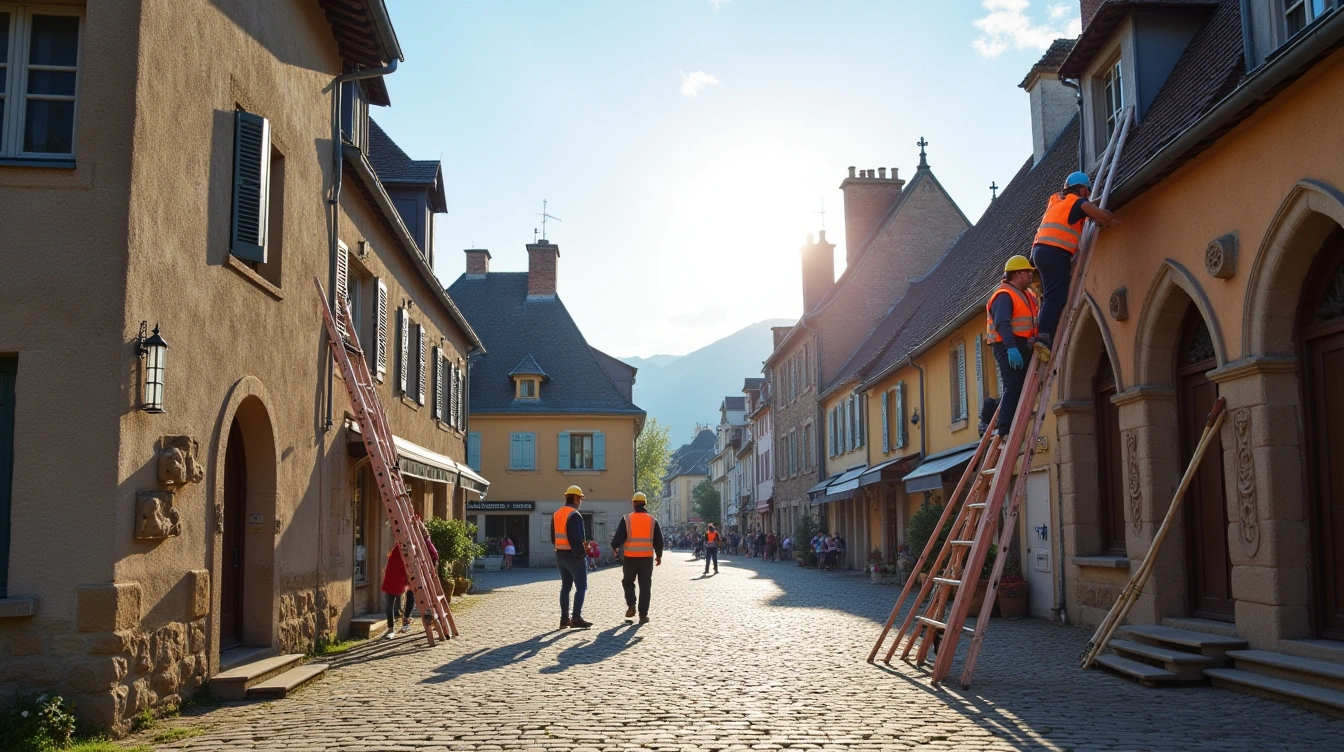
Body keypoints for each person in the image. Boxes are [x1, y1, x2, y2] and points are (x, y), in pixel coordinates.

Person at [1030, 171, 1120, 361]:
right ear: (1080, 189)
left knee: (1049, 296)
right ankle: (1044, 337)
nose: (1088, 194)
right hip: (1055, 254)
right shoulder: (1078, 202)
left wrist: (1093, 204)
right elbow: (1099, 215)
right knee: (1057, 297)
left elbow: (1084, 208)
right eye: (1087, 190)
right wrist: (1109, 217)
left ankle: (1042, 333)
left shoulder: (1057, 201)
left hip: (1040, 252)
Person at [987, 255, 1041, 437]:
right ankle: (1005, 429)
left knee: (1023, 385)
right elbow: (1002, 323)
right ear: (1017, 274)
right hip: (1007, 344)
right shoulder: (1004, 295)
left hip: (1022, 344)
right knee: (1013, 385)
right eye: (1027, 272)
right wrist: (1011, 348)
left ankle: (1015, 423)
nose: (1031, 275)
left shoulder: (1027, 295)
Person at [610, 492, 664, 624]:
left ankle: (631, 605)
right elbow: (659, 540)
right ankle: (643, 615)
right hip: (646, 558)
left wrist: (614, 547)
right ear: (645, 504)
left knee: (627, 581)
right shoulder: (652, 520)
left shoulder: (626, 519)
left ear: (633, 504)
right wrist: (659, 555)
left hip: (630, 557)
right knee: (645, 585)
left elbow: (618, 538)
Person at [554, 485, 592, 629]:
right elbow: (576, 537)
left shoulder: (557, 514)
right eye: (580, 498)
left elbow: (553, 536)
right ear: (575, 498)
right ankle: (576, 618)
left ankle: (564, 619)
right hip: (573, 555)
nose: (580, 501)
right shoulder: (574, 514)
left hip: (560, 554)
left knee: (566, 586)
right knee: (581, 586)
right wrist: (581, 553)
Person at [380, 543, 413, 639]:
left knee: (390, 603)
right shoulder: (406, 548)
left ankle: (391, 628)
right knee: (391, 603)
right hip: (399, 578)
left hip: (393, 578)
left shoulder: (398, 547)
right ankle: (400, 625)